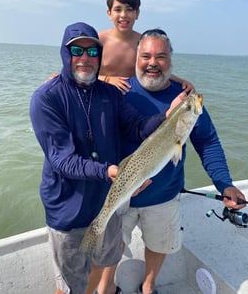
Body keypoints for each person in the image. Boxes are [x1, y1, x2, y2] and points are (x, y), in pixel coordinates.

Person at [29, 22, 184, 294]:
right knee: (68, 284)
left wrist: (166, 117)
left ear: (100, 56)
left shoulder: (111, 94)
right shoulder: (46, 98)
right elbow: (62, 160)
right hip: (68, 206)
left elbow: (137, 127)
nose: (85, 58)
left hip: (107, 203)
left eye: (92, 52)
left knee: (101, 264)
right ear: (66, 54)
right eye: (77, 50)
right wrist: (108, 172)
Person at [97, 29, 246, 294]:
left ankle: (148, 286)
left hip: (165, 195)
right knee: (113, 247)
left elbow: (207, 141)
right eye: (146, 56)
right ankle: (106, 289)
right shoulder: (118, 93)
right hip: (120, 191)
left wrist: (225, 184)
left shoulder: (187, 100)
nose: (153, 62)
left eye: (161, 56)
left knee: (159, 244)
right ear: (136, 59)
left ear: (171, 61)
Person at [98, 0, 194, 94]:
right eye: (118, 9)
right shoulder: (99, 41)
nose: (123, 15)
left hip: (131, 99)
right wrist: (107, 79)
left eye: (129, 9)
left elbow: (156, 69)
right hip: (103, 96)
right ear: (109, 13)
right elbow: (84, 71)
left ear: (137, 13)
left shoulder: (143, 44)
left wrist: (182, 81)